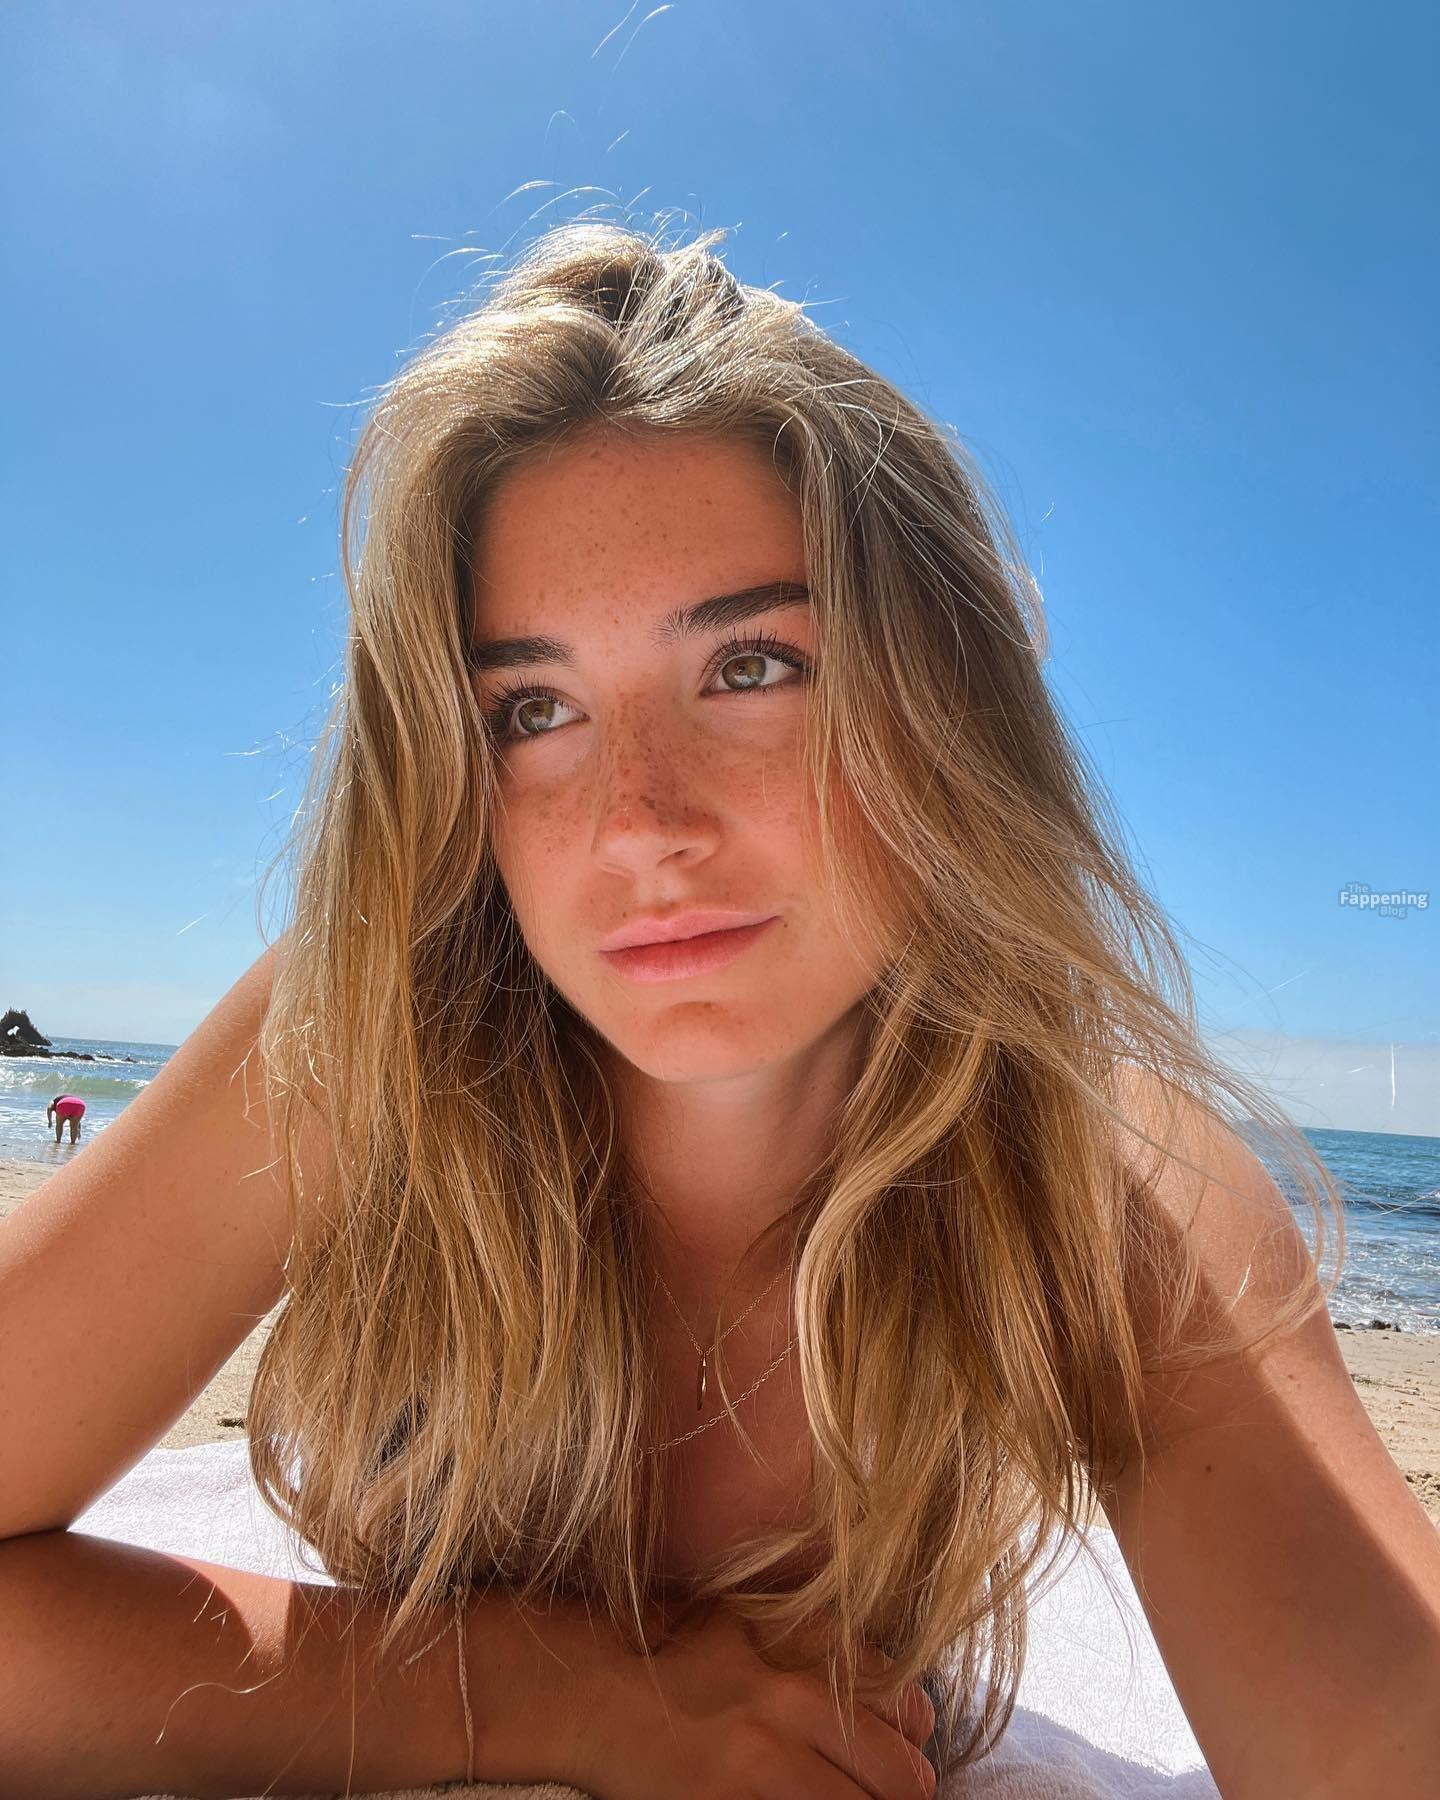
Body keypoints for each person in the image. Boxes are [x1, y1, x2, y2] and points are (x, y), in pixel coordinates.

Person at [24, 221, 1417, 1799]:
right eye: (534, 708)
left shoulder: (1099, 1178)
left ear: (943, 698)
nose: (641, 823)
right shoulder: (366, 1044)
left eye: (751, 666)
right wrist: (557, 1700)